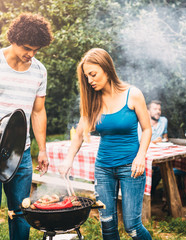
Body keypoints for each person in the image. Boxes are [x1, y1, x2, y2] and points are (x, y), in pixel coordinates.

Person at [0, 13, 53, 240]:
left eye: (36, 50)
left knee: (22, 212)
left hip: (21, 153)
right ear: (12, 39)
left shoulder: (39, 70)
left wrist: (42, 149)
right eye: (26, 48)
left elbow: (38, 111)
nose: (31, 54)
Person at [59, 48, 152, 240]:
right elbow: (78, 135)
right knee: (107, 226)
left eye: (93, 74)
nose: (90, 80)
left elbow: (147, 129)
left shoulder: (132, 94)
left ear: (107, 69)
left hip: (131, 168)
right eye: (87, 77)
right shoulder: (92, 101)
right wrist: (68, 159)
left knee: (132, 226)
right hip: (103, 169)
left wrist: (141, 156)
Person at [138, 100, 168, 196]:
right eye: (155, 109)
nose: (158, 111)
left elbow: (165, 136)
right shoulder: (141, 123)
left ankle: (151, 193)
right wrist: (152, 142)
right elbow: (138, 141)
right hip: (143, 155)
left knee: (163, 168)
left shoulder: (163, 121)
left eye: (159, 109)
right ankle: (144, 194)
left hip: (158, 156)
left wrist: (164, 139)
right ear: (148, 111)